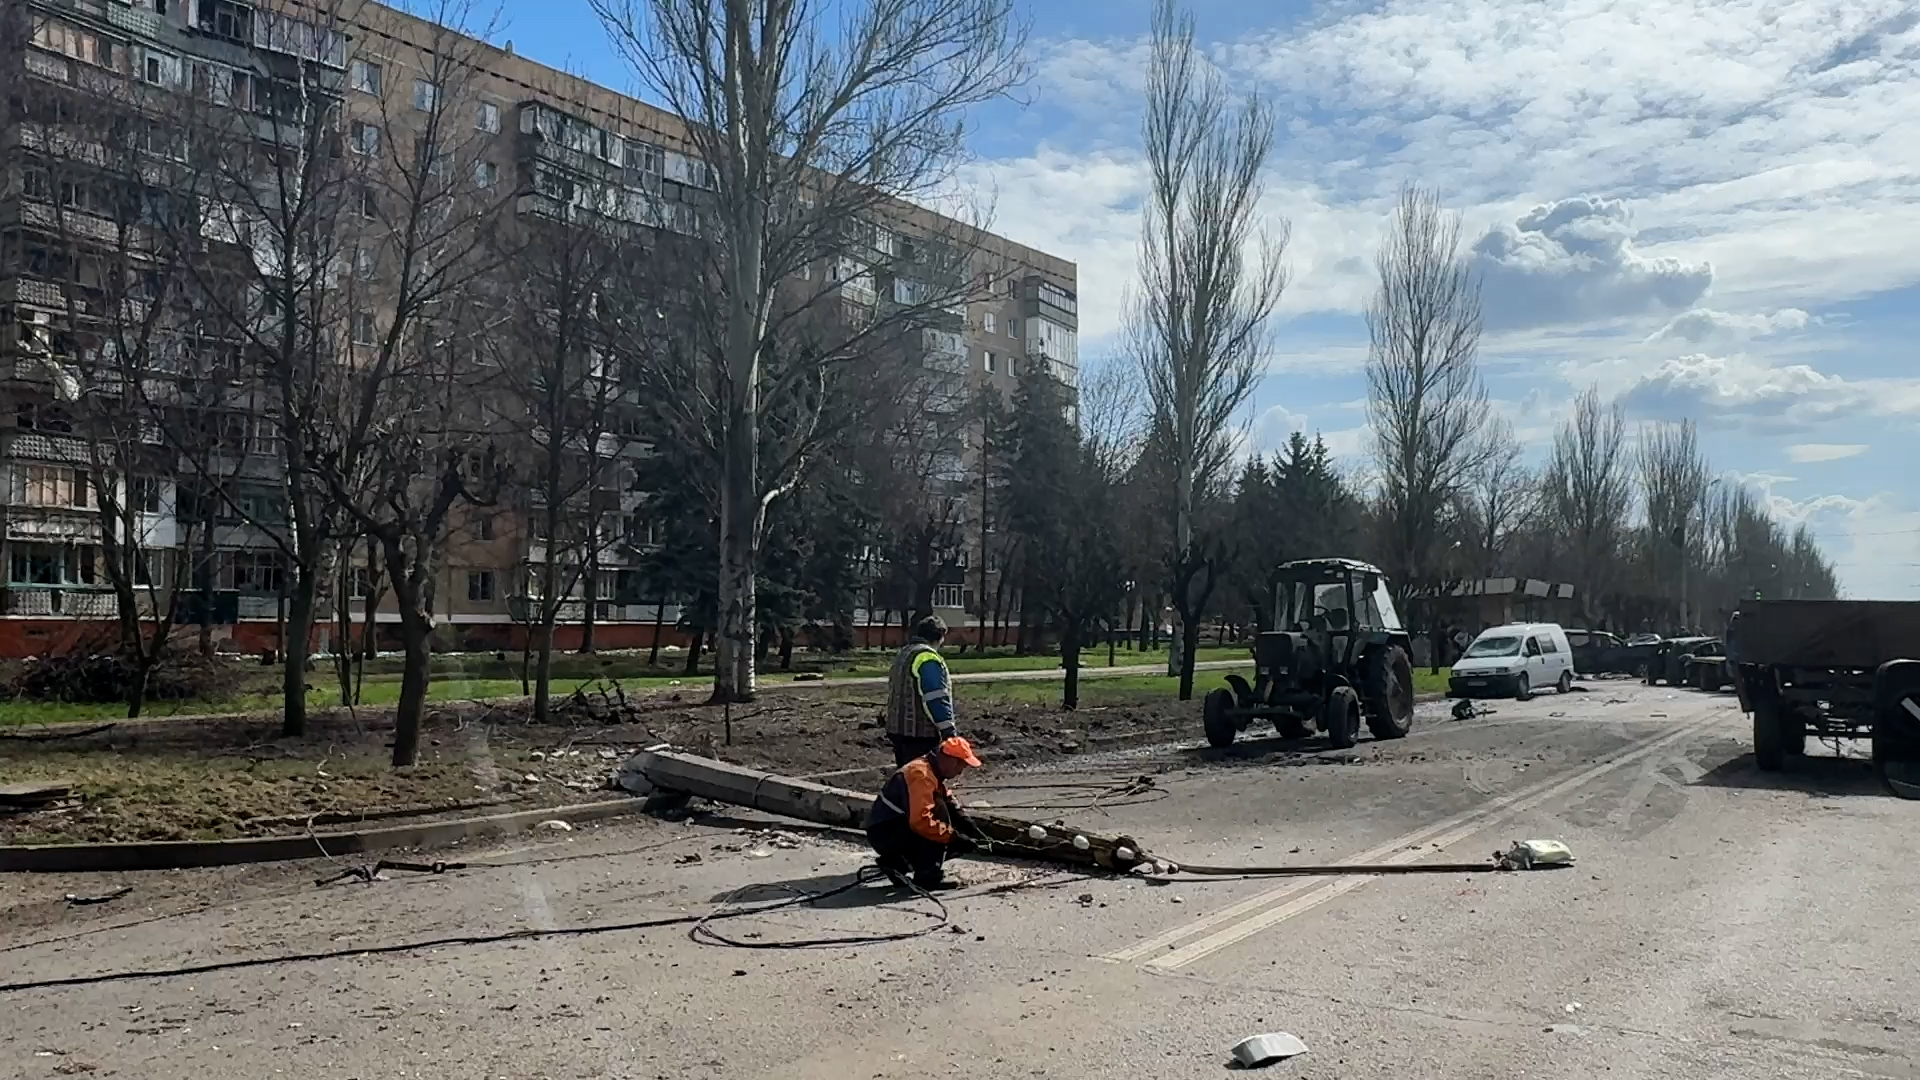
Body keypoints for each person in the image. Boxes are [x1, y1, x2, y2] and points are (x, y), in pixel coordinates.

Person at [866, 736, 985, 890]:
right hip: (886, 832)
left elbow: (945, 796)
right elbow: (921, 821)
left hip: (890, 827)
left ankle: (897, 864)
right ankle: (927, 877)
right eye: (960, 766)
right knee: (940, 817)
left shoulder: (929, 769)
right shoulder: (921, 775)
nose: (960, 772)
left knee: (949, 819)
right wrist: (953, 838)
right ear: (951, 761)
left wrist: (962, 818)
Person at [884, 615, 957, 766]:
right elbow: (935, 697)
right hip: (920, 733)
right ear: (940, 637)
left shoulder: (904, 653)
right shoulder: (927, 658)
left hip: (897, 729)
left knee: (906, 774)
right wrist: (948, 731)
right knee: (922, 776)